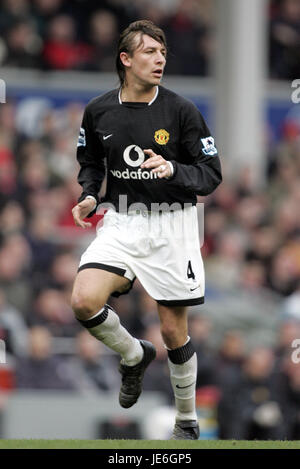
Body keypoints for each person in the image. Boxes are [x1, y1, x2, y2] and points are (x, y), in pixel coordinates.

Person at [71, 20, 222, 440]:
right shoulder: (99, 110)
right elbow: (91, 162)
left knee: (174, 331)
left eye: (162, 53)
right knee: (83, 301)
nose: (159, 60)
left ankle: (186, 422)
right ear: (126, 59)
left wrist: (173, 167)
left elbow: (211, 175)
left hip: (173, 223)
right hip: (121, 218)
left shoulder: (182, 110)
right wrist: (88, 194)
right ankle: (134, 355)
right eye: (150, 53)